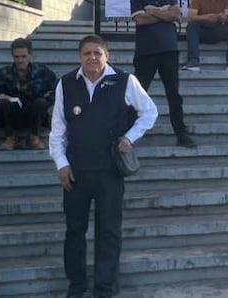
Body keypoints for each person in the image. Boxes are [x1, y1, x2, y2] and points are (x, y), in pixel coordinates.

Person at [50, 35, 158, 298]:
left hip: (110, 170)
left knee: (108, 231)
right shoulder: (66, 84)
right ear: (79, 57)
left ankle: (104, 289)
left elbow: (150, 111)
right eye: (87, 53)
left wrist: (129, 137)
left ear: (106, 56)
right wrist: (61, 164)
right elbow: (57, 130)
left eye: (97, 53)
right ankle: (76, 287)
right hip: (76, 171)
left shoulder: (124, 81)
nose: (92, 58)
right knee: (74, 231)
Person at [131, 0, 196, 148]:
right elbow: (140, 20)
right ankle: (126, 132)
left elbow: (175, 16)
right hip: (146, 53)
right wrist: (165, 15)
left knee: (174, 94)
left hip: (169, 51)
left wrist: (152, 11)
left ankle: (181, 133)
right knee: (137, 93)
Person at [0, 37, 58, 150]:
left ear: (30, 55)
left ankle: (34, 137)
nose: (20, 60)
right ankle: (10, 138)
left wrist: (46, 99)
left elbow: (57, 90)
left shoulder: (42, 72)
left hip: (35, 114)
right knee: (4, 103)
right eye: (16, 57)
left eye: (23, 56)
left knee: (40, 102)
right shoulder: (3, 73)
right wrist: (0, 97)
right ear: (12, 56)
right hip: (11, 115)